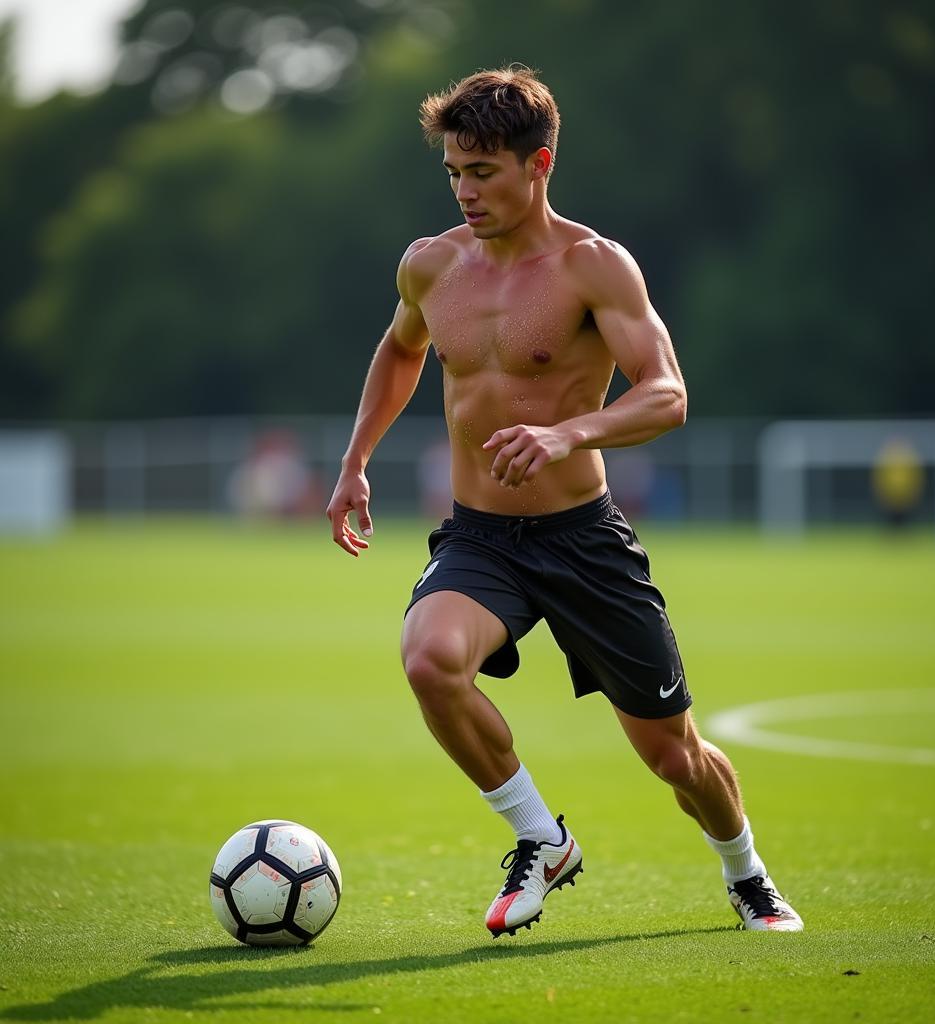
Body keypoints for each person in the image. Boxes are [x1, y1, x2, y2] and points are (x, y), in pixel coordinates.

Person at [326, 66, 802, 937]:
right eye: (454, 173)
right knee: (430, 660)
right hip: (481, 538)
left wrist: (565, 433)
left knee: (675, 756)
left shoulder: (593, 267)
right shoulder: (430, 266)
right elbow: (400, 354)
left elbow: (667, 394)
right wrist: (357, 458)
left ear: (537, 163)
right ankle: (540, 838)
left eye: (484, 172)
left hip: (583, 540)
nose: (465, 191)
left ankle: (747, 873)